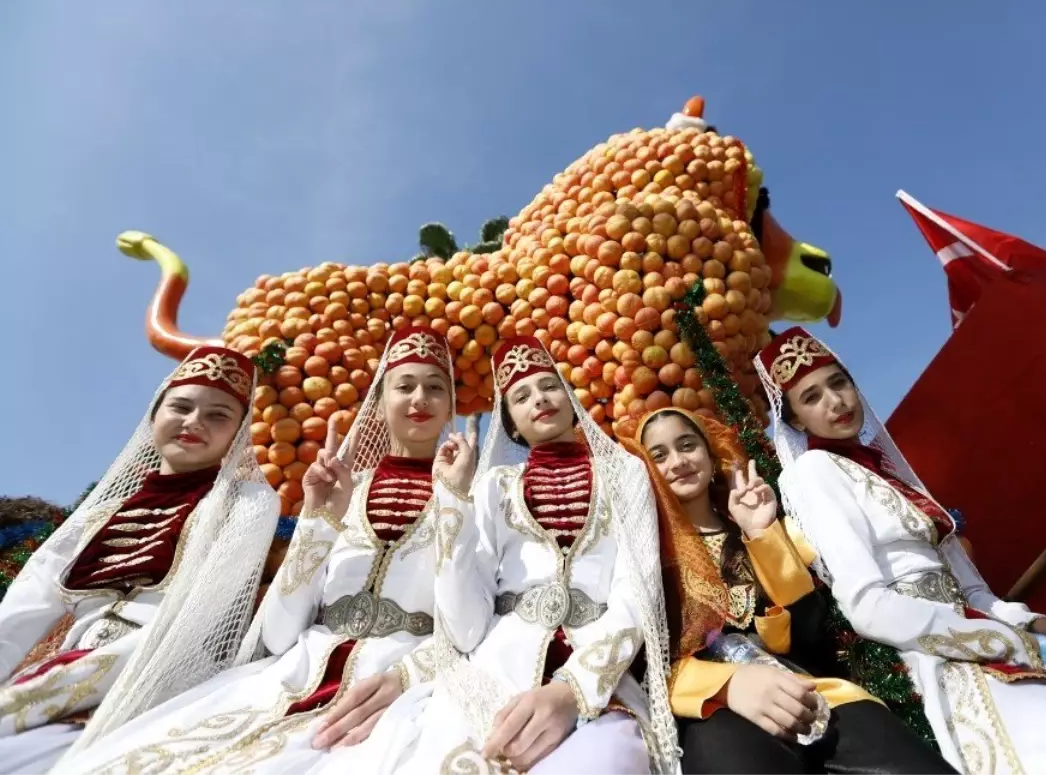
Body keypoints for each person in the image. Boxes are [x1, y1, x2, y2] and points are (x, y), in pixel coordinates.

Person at [756, 326, 1046, 774]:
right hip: (931, 662)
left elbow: (979, 598)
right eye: (811, 397)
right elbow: (867, 607)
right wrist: (1028, 649)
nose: (835, 401)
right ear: (793, 421)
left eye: (839, 382)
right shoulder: (812, 472)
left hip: (993, 643)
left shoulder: (889, 470)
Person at [58, 327, 471, 774]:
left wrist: (413, 672)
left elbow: (471, 628)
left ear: (451, 406)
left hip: (407, 687)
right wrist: (318, 519)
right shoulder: (347, 491)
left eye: (435, 387)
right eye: (404, 385)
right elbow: (278, 635)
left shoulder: (477, 492)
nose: (420, 398)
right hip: (290, 677)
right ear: (379, 401)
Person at [333, 335, 677, 774]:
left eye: (550, 386)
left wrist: (575, 689)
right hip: (493, 669)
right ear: (511, 422)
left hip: (597, 674)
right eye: (521, 395)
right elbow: (465, 625)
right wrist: (453, 501)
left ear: (571, 398)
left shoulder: (624, 472)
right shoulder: (495, 485)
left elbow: (638, 588)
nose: (540, 399)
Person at [622, 407, 956, 774]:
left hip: (806, 689)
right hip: (710, 708)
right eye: (659, 455)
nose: (678, 461)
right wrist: (729, 684)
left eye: (687, 445)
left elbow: (807, 633)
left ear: (710, 453)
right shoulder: (644, 556)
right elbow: (641, 664)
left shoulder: (751, 528)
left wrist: (761, 534)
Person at [0, 346, 278, 775]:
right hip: (61, 671)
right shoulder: (96, 516)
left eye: (218, 415)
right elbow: (22, 610)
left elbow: (200, 617)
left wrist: (43, 689)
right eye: (181, 407)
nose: (194, 422)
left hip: (168, 673)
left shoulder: (249, 503)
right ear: (154, 415)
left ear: (239, 433)